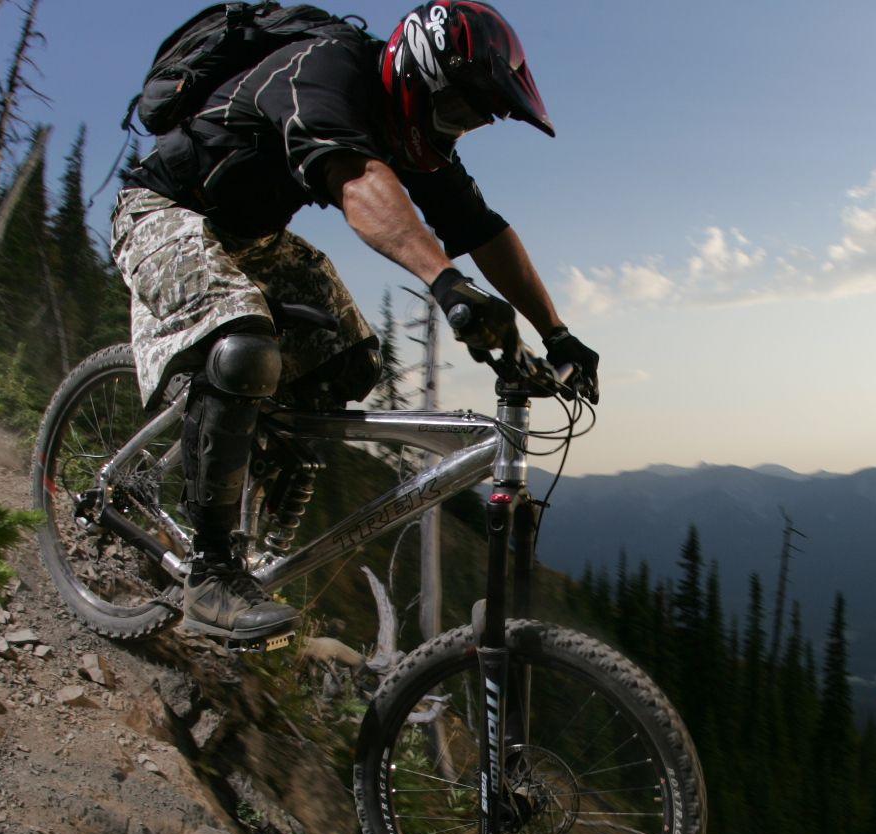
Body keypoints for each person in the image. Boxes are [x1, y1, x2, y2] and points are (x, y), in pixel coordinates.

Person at [112, 1, 600, 645]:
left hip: (250, 239)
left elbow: (483, 229)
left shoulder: (418, 135)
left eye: (469, 124)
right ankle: (211, 574)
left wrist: (558, 332)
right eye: (454, 111)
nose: (454, 131)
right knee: (244, 352)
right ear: (415, 74)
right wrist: (447, 284)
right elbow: (356, 180)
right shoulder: (324, 71)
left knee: (348, 362)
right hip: (164, 212)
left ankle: (253, 498)